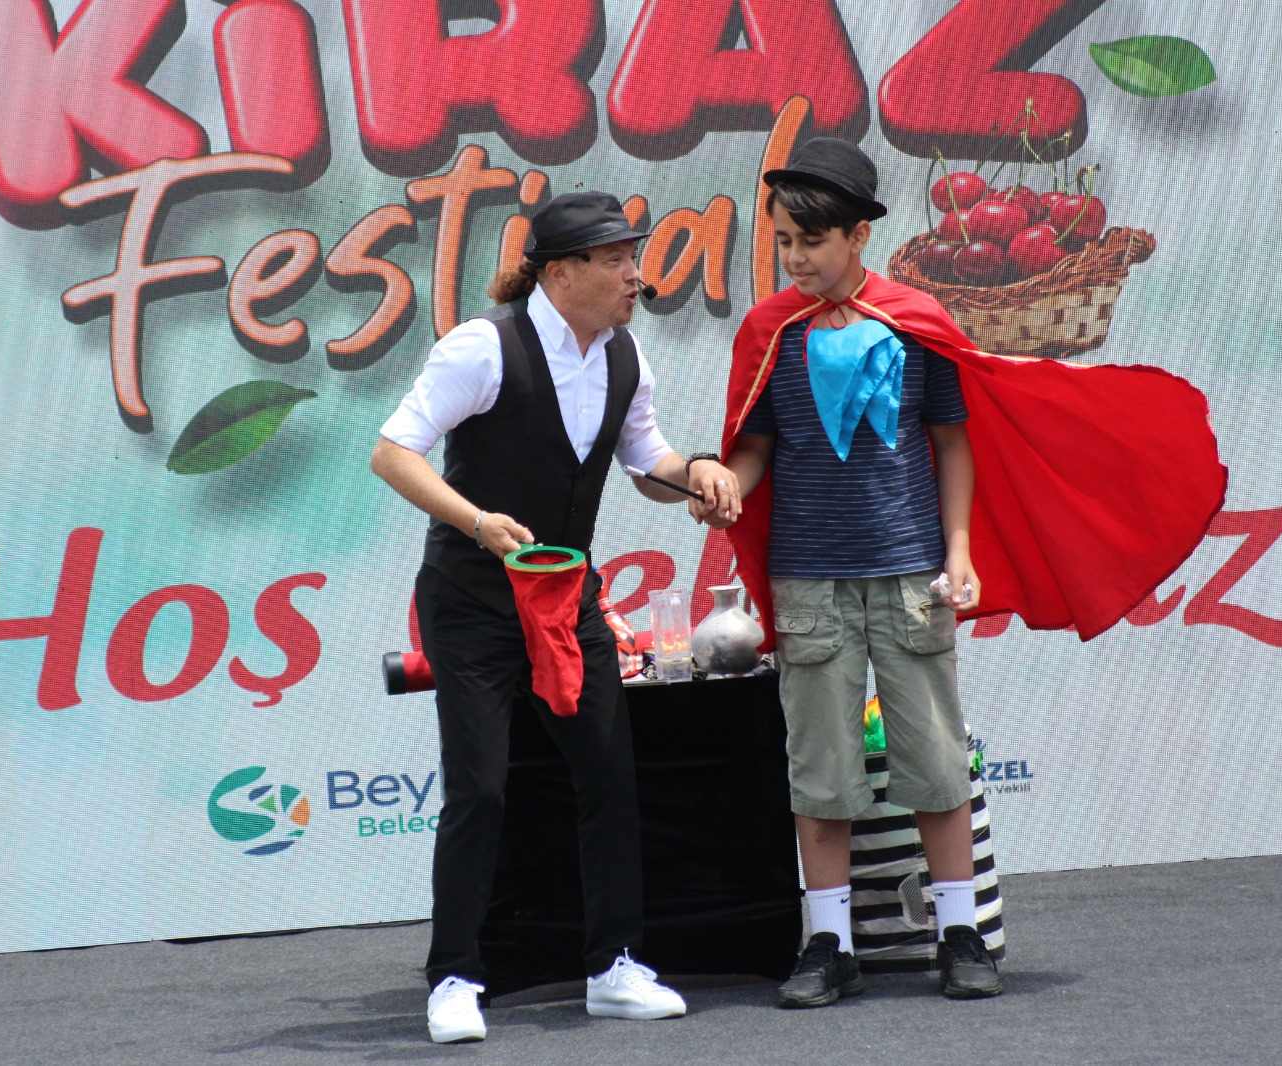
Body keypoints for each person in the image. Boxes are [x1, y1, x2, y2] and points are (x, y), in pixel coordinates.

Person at [700, 138, 1226, 1006]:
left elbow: (952, 442)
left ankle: (961, 933)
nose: (795, 257)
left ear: (860, 236)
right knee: (822, 772)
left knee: (936, 762)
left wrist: (958, 552)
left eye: (812, 240)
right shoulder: (769, 332)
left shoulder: (914, 321)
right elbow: (754, 448)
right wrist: (726, 485)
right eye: (784, 241)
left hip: (911, 576)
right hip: (809, 581)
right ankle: (829, 945)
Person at [371, 191, 740, 1044]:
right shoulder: (484, 347)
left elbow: (646, 461)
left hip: (569, 598)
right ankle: (454, 977)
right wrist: (476, 521)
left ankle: (615, 966)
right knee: (480, 787)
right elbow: (393, 453)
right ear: (562, 272)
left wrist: (698, 474)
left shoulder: (624, 355)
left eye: (632, 258)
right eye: (616, 261)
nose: (634, 276)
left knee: (609, 777)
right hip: (471, 600)